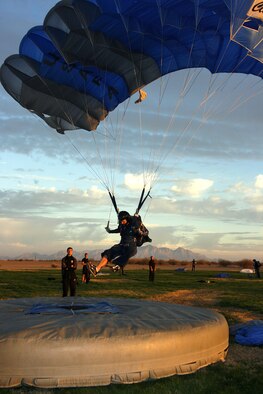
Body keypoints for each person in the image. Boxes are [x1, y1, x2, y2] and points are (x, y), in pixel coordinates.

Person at [89, 211, 141, 276]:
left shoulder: (133, 224)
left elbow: (138, 223)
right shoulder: (122, 226)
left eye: (123, 220)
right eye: (120, 221)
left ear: (127, 219)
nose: (121, 222)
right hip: (122, 245)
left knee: (126, 254)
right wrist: (109, 231)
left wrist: (136, 217)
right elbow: (117, 230)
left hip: (131, 246)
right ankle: (96, 269)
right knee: (108, 253)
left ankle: (118, 265)